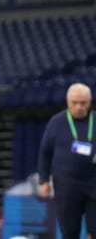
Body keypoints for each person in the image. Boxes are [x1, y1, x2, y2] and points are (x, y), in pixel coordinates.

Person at [37, 83, 95, 239]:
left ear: (90, 102)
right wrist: (43, 180)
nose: (79, 107)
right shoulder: (56, 122)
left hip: (94, 183)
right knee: (69, 233)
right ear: (68, 102)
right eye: (74, 103)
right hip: (66, 185)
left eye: (83, 103)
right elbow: (45, 152)